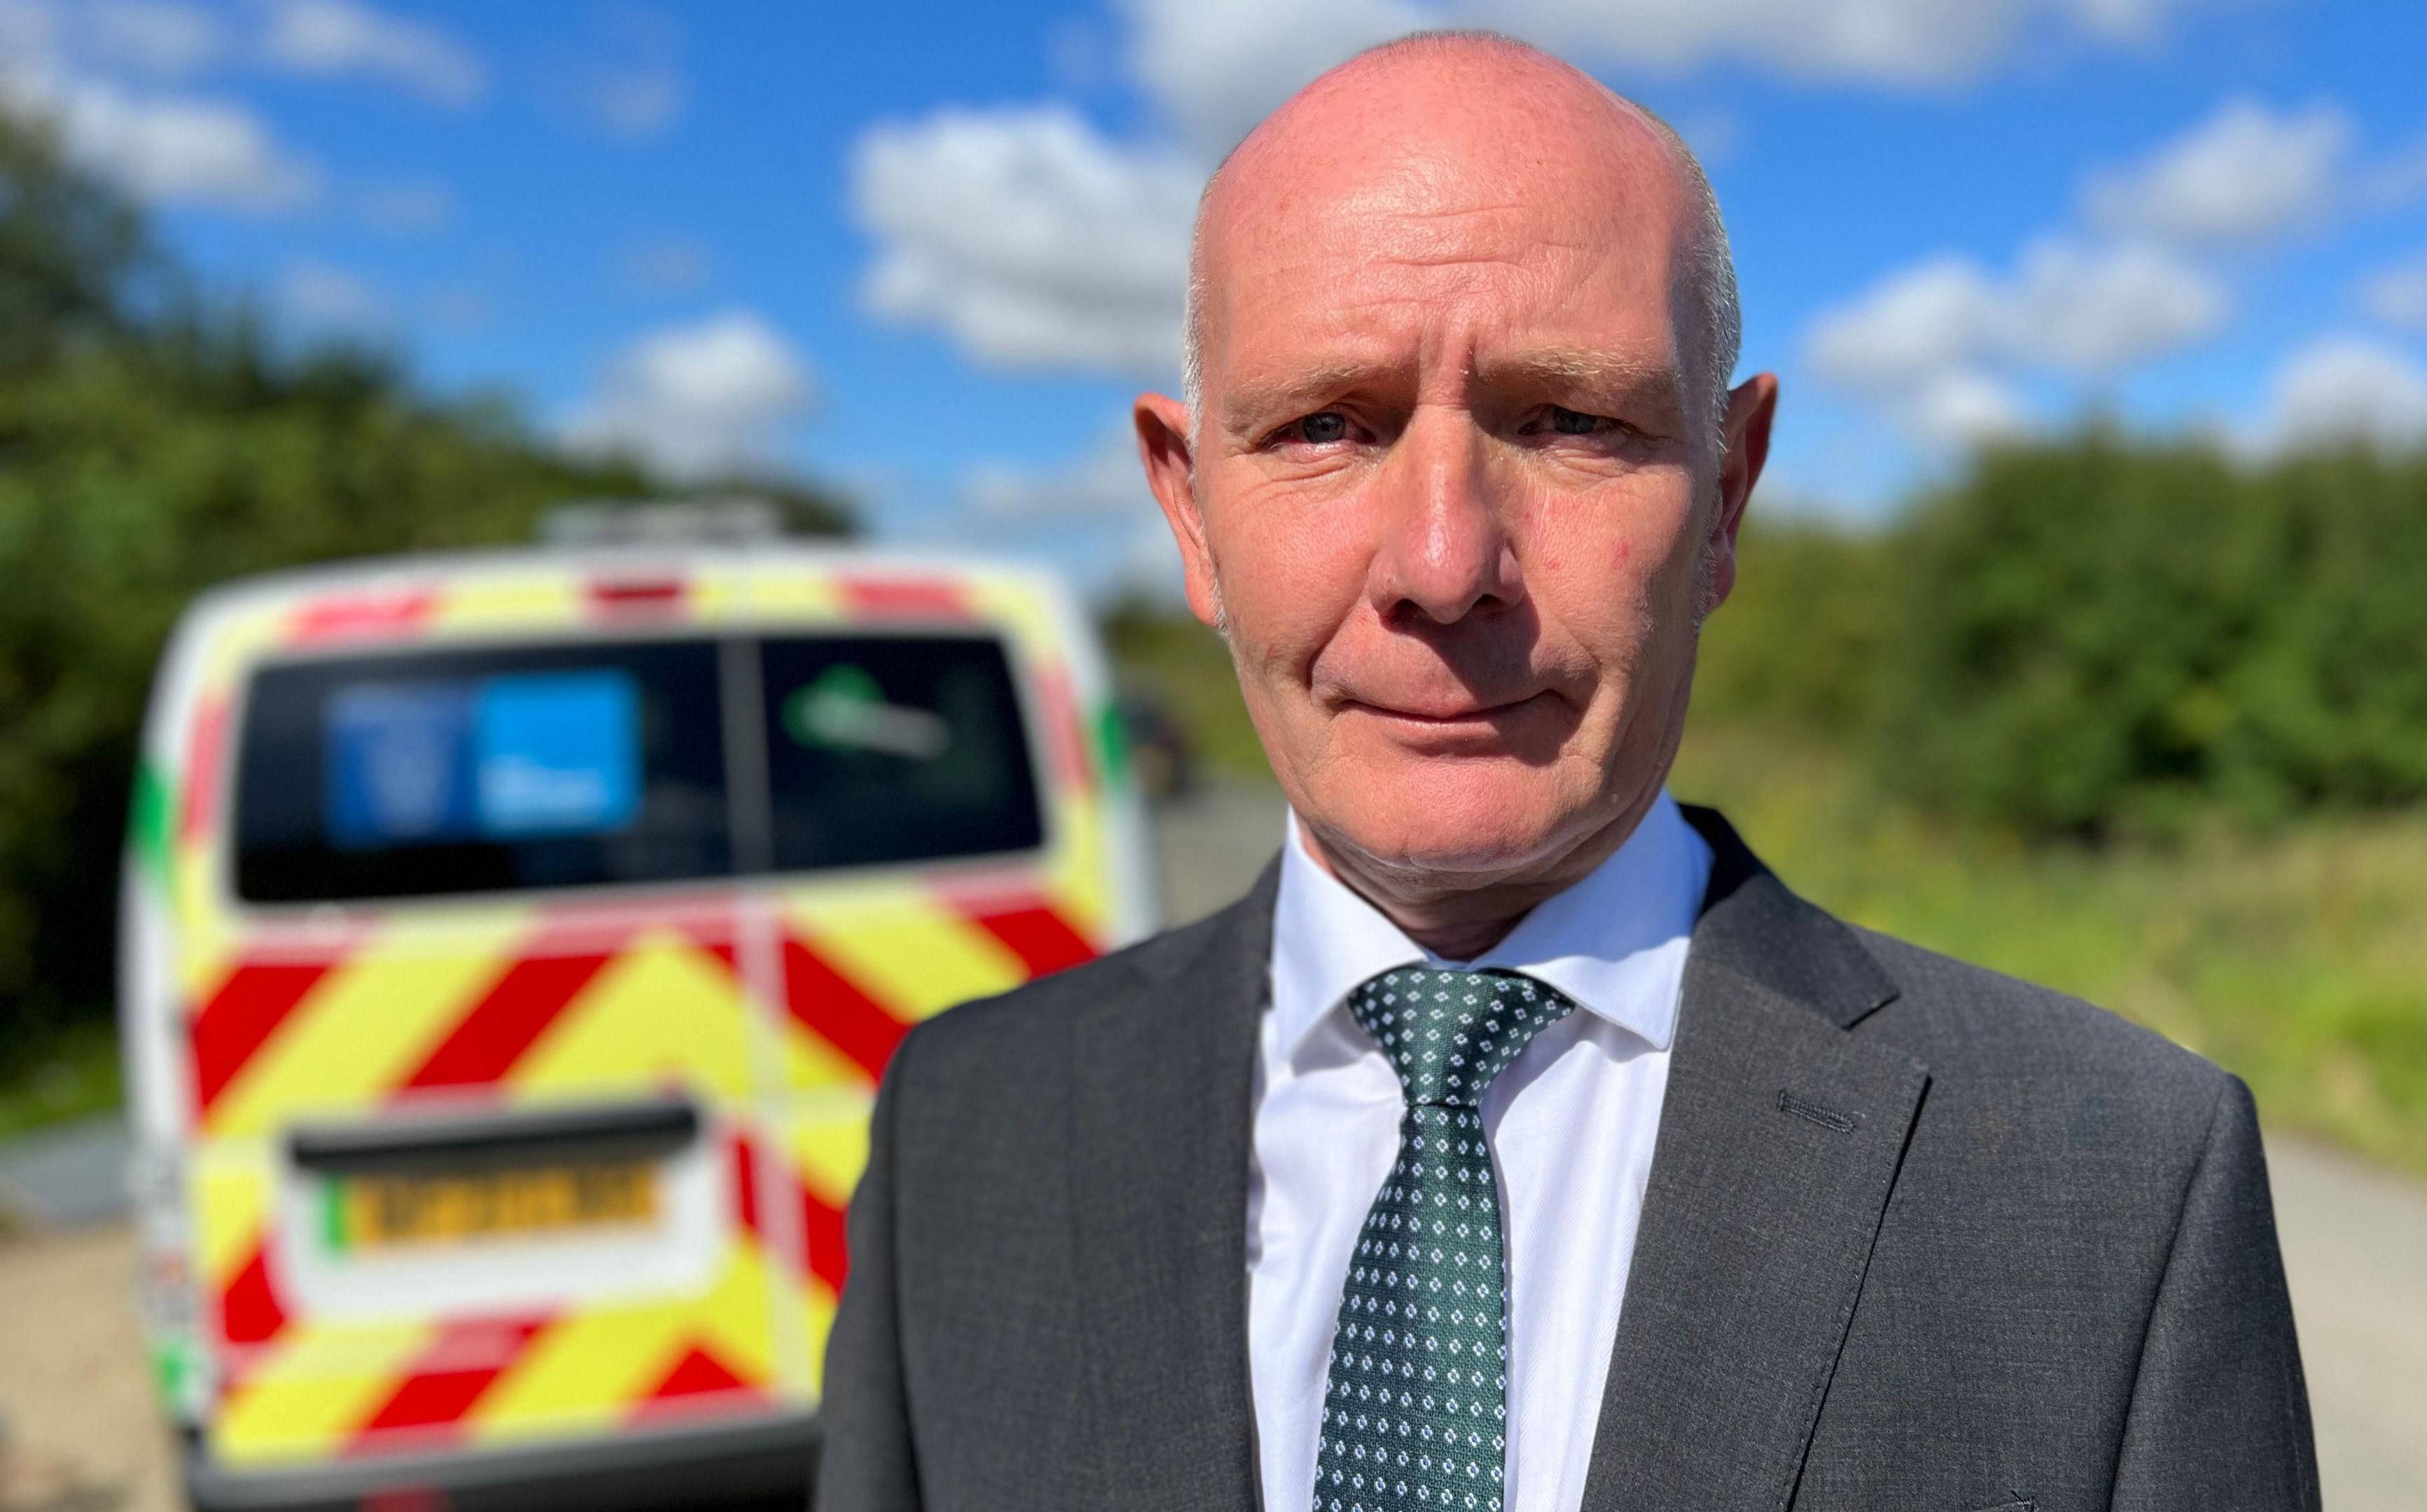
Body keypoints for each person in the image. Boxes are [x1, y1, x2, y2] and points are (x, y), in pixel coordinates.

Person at [816, 31, 2317, 1512]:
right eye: (1328, 427)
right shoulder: (972, 1131)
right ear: (1190, 507)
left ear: (1726, 495)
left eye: (1570, 422)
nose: (1445, 562)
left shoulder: (2110, 1191)